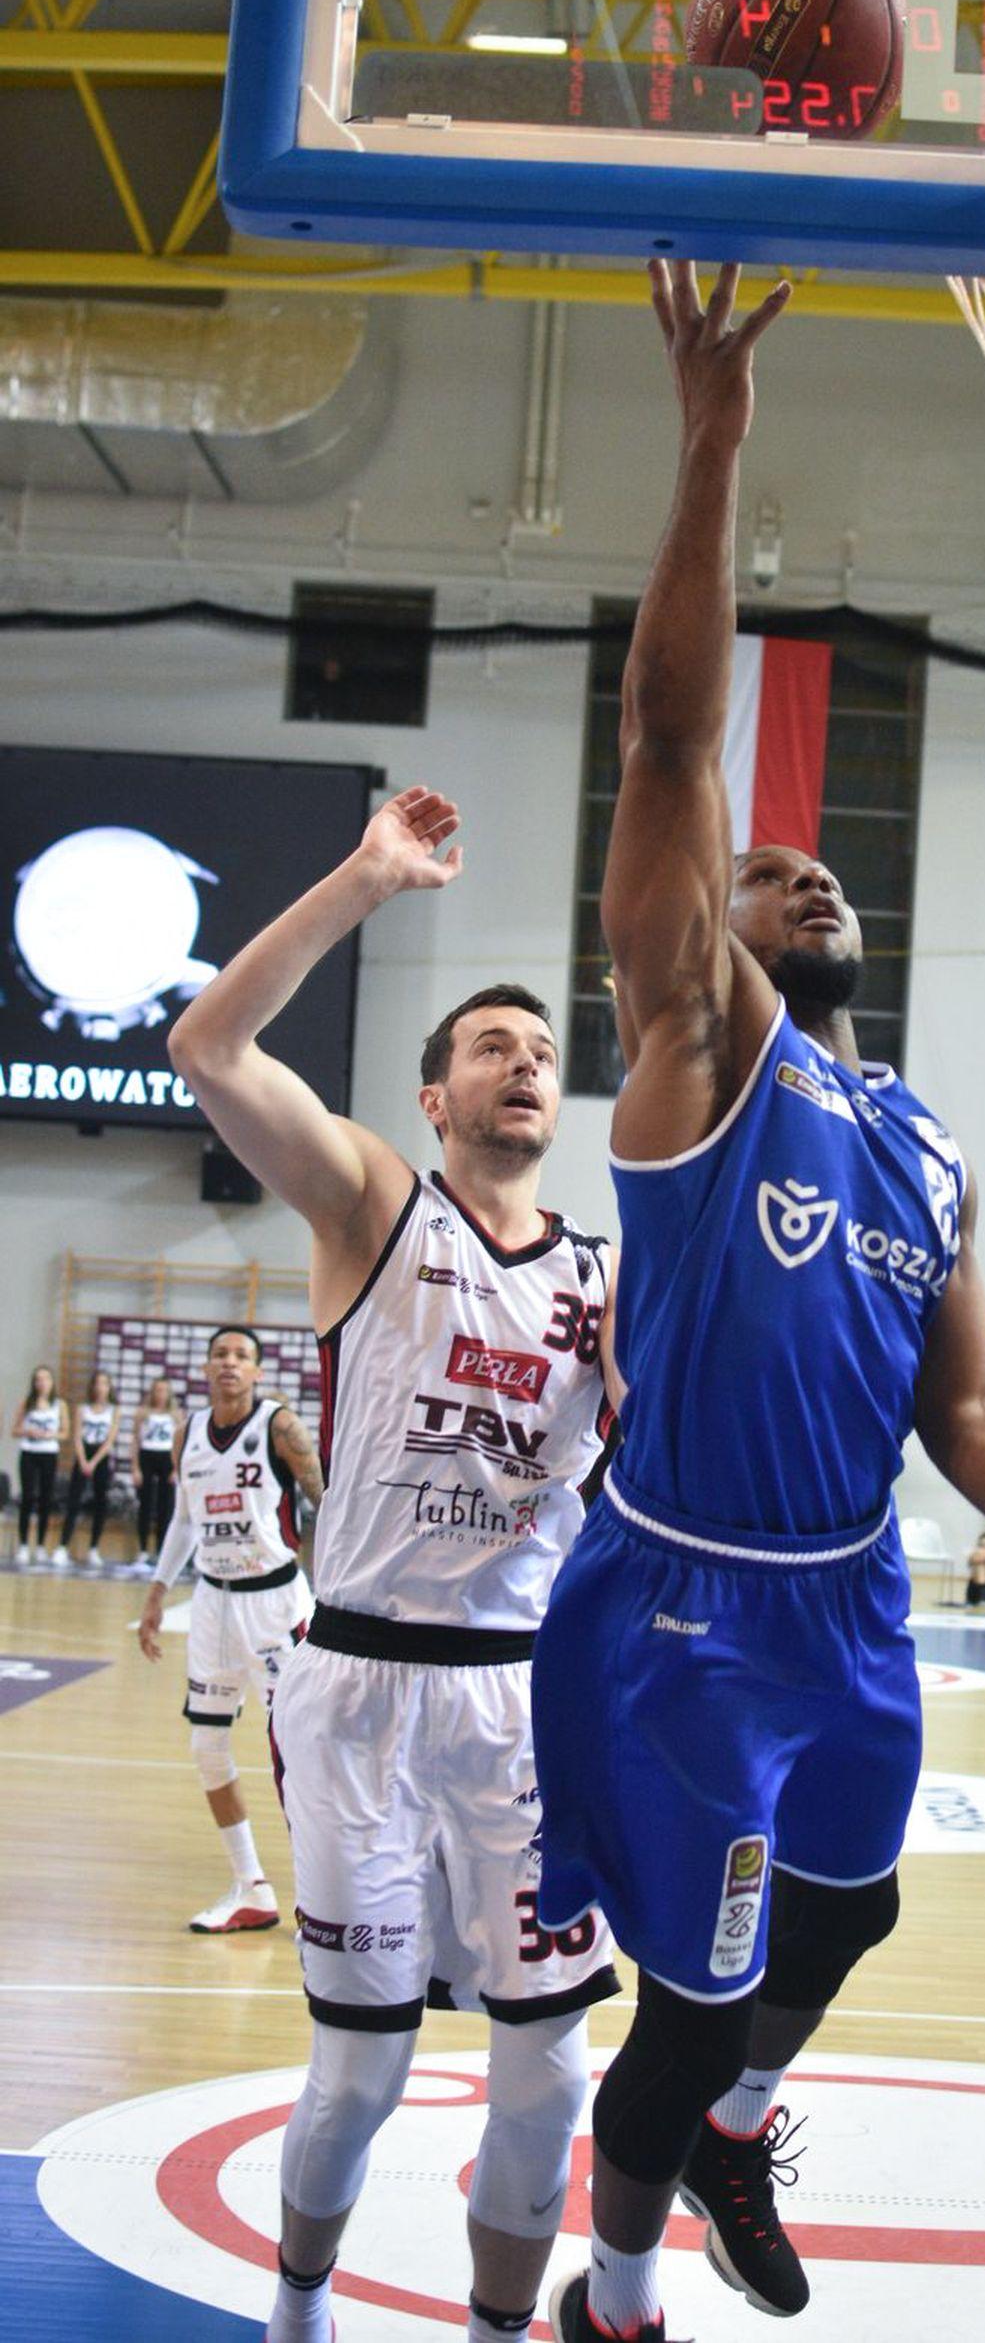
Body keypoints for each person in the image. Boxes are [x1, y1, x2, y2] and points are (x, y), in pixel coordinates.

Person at [532, 260, 985, 2343]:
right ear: (712, 922)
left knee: (856, 1904)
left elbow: (970, 1411)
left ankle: (737, 2133)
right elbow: (669, 735)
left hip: (846, 1596)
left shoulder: (923, 1142)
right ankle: (612, 2297)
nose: (805, 875)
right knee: (693, 1996)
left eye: (824, 873)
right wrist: (712, 446)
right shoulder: (697, 1047)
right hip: (685, 1601)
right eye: (768, 873)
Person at [166, 788, 620, 2343]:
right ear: (436, 1097)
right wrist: (365, 879)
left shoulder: (608, 1280)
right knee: (358, 2072)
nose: (525, 1062)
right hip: (358, 1685)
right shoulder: (373, 1204)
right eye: (492, 1046)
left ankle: (496, 2328)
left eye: (542, 1050)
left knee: (549, 2076)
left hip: (522, 1706)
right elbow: (208, 1047)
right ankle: (298, 2314)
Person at [138, 1327, 320, 1932]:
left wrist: (341, 1590)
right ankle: (251, 1887)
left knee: (301, 1751)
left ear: (258, 1372)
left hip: (276, 1604)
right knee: (206, 1745)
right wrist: (158, 1591)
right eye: (220, 1354)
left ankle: (326, 1891)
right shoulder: (187, 1433)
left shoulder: (279, 1427)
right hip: (212, 1603)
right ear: (205, 1367)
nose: (229, 1363)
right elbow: (183, 1519)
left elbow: (328, 1503)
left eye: (242, 1356)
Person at [58, 1369, 120, 1569]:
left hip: (101, 1457)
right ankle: (62, 1546)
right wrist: (83, 1460)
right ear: (92, 1387)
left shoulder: (114, 1410)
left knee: (100, 1503)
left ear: (109, 1387)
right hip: (83, 1454)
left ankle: (93, 1548)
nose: (100, 1387)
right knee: (73, 1501)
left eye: (104, 1383)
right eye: (97, 1383)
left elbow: (110, 1440)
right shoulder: (82, 1408)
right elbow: (77, 1436)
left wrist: (94, 1462)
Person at [12, 1363, 64, 1566]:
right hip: (29, 1453)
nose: (42, 1383)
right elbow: (14, 1430)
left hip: (48, 1453)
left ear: (52, 1382)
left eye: (46, 1379)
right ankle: (24, 1545)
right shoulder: (27, 1403)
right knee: (27, 1497)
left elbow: (66, 1432)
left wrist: (52, 1434)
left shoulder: (59, 1405)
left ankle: (41, 1545)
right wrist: (28, 1431)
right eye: (39, 1379)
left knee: (46, 1498)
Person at [133, 1375, 178, 1574]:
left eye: (164, 1390)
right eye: (157, 1390)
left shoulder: (175, 1414)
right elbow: (135, 1440)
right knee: (145, 1505)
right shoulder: (143, 1413)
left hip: (166, 1458)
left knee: (165, 1508)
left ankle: (161, 1551)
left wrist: (176, 1468)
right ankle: (143, 1550)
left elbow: (179, 1443)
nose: (160, 1394)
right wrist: (135, 1468)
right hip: (147, 1456)